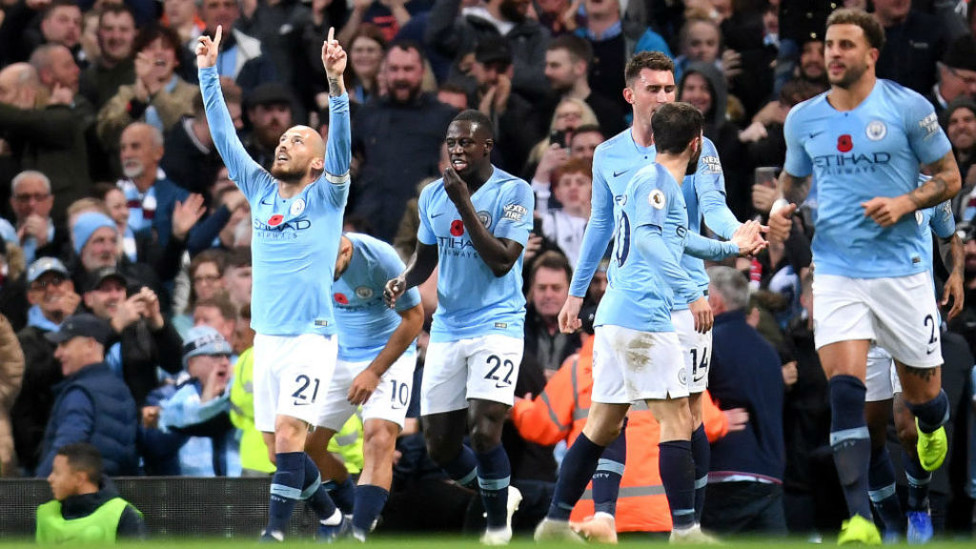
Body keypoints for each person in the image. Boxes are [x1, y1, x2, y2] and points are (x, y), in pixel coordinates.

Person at [768, 7, 962, 544]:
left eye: (846, 45)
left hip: (903, 274)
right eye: (829, 43)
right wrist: (782, 210)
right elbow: (793, 184)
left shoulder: (909, 108)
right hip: (837, 271)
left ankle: (927, 444)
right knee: (848, 395)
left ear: (871, 54)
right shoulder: (804, 117)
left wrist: (905, 202)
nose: (833, 53)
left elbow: (949, 177)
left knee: (924, 405)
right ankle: (860, 519)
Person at [555, 50, 761, 538]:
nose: (666, 96)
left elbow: (713, 205)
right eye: (655, 89)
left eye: (670, 89)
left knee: (689, 412)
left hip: (686, 301)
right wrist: (575, 293)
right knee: (615, 412)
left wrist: (741, 233)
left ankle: (690, 524)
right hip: (634, 299)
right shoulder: (608, 155)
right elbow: (600, 226)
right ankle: (612, 515)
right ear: (631, 94)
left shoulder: (699, 148)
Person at [197, 25, 352, 541]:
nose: (285, 145)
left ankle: (276, 533)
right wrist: (207, 74)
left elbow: (341, 144)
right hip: (268, 339)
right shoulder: (261, 190)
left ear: (317, 159)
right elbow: (224, 137)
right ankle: (332, 517)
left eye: (298, 140)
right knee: (273, 447)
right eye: (284, 140)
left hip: (312, 336)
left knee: (291, 436)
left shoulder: (328, 196)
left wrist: (336, 85)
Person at [385, 109, 534, 545]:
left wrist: (464, 203)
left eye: (466, 142)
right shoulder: (434, 195)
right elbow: (425, 258)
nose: (456, 150)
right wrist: (404, 279)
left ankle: (495, 525)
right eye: (451, 143)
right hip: (449, 326)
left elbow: (502, 259)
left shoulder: (514, 191)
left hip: (498, 323)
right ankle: (500, 494)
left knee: (485, 429)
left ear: (486, 146)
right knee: (440, 446)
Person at [307, 232, 424, 541]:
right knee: (305, 445)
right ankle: (349, 507)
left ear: (345, 250)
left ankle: (358, 534)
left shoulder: (381, 259)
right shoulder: (305, 255)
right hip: (338, 352)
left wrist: (374, 372)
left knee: (379, 437)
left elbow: (414, 318)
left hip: (388, 354)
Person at [35, 314, 138, 478]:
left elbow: (64, 453)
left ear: (90, 344)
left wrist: (34, 492)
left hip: (79, 498)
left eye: (64, 344)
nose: (57, 353)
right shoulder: (121, 388)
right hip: (110, 497)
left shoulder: (80, 394)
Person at [36, 443, 145, 542]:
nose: (49, 478)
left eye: (57, 473)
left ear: (79, 479)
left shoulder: (123, 515)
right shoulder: (44, 514)